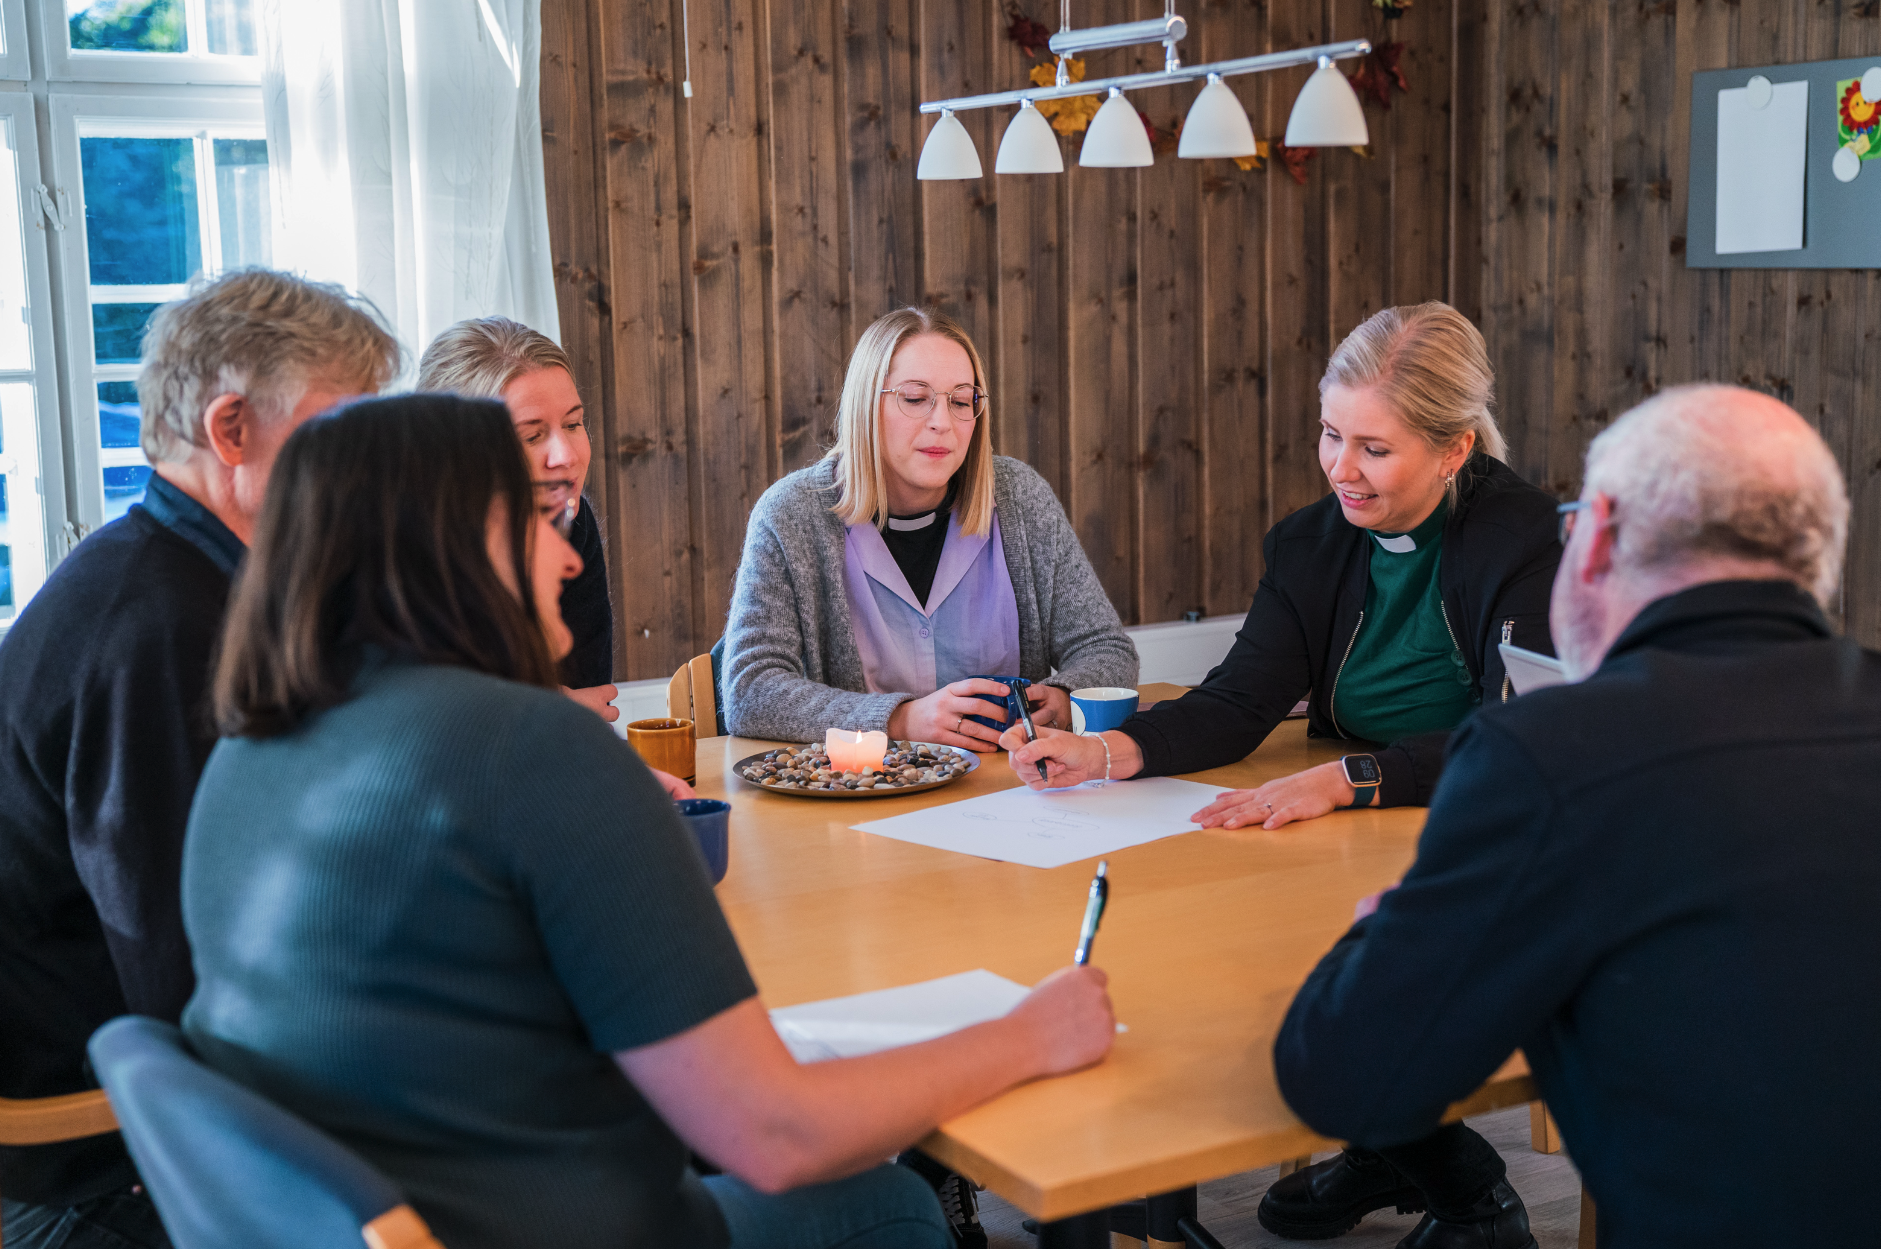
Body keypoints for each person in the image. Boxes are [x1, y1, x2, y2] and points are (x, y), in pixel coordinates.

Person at [180, 394, 1117, 1249]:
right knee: (891, 1204)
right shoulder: (535, 749)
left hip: (406, 1201)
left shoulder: (251, 749)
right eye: (540, 523)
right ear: (455, 548)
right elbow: (774, 1134)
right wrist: (1032, 1032)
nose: (570, 556)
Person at [1273, 384, 1877, 1248]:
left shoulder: (1549, 754)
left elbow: (1338, 1079)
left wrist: (1386, 929)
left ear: (1590, 537)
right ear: (1816, 554)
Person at [1004, 303, 1559, 1243]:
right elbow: (1236, 701)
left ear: (1453, 449)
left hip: (1481, 819)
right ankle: (1391, 1144)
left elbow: (1521, 731)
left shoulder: (1525, 538)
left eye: (1374, 449)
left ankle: (1473, 1196)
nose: (1341, 468)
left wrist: (1351, 776)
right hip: (1356, 824)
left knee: (1326, 958)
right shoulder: (1309, 543)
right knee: (1225, 928)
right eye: (1330, 434)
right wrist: (1108, 750)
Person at [0, 270, 399, 1248]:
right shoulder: (160, 626)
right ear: (231, 431)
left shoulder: (183, 575)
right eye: (345, 434)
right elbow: (182, 965)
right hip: (96, 1163)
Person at [723, 306, 1137, 751]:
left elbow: (1108, 651)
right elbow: (750, 691)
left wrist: (1063, 698)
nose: (942, 422)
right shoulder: (792, 514)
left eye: (961, 401)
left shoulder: (1019, 498)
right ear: (866, 406)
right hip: (858, 798)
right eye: (916, 398)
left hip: (1010, 792)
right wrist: (899, 720)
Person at [416, 318, 618, 721]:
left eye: (574, 424)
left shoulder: (571, 521)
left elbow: (589, 699)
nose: (568, 456)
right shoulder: (406, 549)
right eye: (532, 436)